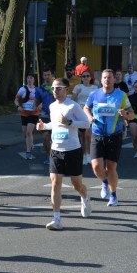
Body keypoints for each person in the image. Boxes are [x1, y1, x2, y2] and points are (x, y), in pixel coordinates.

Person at [36, 78, 90, 229]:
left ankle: (85, 197)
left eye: (59, 88)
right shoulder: (52, 106)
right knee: (55, 184)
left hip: (73, 150)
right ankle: (56, 219)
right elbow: (55, 124)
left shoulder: (73, 106)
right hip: (56, 150)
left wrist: (70, 122)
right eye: (53, 88)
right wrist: (44, 126)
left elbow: (86, 123)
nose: (55, 91)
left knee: (76, 185)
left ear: (66, 89)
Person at [84, 69, 133, 206]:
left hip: (114, 136)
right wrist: (89, 117)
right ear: (101, 80)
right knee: (96, 167)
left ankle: (113, 195)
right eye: (104, 77)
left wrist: (125, 114)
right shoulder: (94, 94)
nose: (107, 80)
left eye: (109, 77)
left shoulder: (121, 95)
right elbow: (86, 108)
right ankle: (104, 182)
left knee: (111, 168)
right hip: (97, 134)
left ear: (114, 80)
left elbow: (132, 115)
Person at [71, 70, 96, 164]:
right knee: (82, 135)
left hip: (90, 112)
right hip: (80, 113)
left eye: (87, 76)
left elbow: (97, 100)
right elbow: (72, 99)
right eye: (83, 76)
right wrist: (77, 93)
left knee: (88, 135)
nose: (85, 78)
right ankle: (84, 154)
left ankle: (88, 154)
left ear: (90, 78)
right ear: (81, 78)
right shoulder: (78, 87)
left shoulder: (95, 88)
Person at [14, 74, 41, 160]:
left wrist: (39, 106)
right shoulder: (22, 89)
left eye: (31, 78)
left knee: (29, 132)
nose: (29, 80)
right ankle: (30, 144)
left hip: (34, 113)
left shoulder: (38, 89)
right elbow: (16, 100)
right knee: (25, 134)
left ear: (34, 80)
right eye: (28, 78)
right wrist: (18, 107)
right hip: (24, 113)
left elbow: (42, 100)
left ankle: (28, 151)